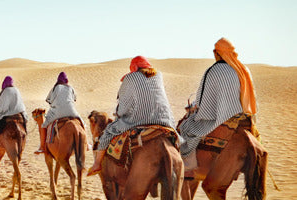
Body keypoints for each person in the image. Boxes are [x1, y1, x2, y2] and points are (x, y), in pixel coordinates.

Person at [178, 37, 256, 176]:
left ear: (217, 53)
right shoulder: (243, 70)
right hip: (245, 117)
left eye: (215, 52)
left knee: (186, 129)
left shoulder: (214, 70)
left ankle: (187, 164)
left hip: (219, 117)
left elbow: (203, 101)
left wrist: (196, 109)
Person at [88, 56, 175, 175]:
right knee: (180, 138)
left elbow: (124, 104)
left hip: (138, 121)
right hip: (165, 120)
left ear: (134, 67)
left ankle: (97, 164)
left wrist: (119, 114)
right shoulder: (158, 75)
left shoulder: (130, 77)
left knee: (107, 133)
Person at [37, 72, 81, 154]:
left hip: (57, 111)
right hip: (71, 111)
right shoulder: (70, 88)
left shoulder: (55, 88)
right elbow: (74, 99)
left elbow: (49, 100)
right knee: (82, 123)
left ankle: (42, 146)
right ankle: (87, 144)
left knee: (44, 125)